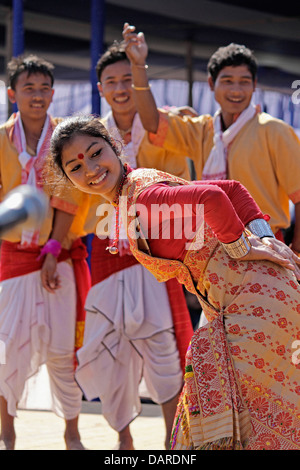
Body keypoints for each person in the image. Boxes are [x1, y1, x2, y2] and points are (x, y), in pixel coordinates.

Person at [49, 114, 300, 450]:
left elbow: (214, 198)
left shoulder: (141, 195)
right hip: (250, 297)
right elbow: (231, 189)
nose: (90, 169)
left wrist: (247, 244)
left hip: (254, 302)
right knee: (246, 413)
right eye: (76, 167)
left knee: (252, 417)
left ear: (114, 147)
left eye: (95, 153)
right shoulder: (133, 189)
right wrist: (263, 237)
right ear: (67, 179)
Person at [75, 38, 194, 450]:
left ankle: (172, 443)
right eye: (113, 80)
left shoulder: (165, 125)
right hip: (106, 247)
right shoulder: (87, 136)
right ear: (100, 87)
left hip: (155, 248)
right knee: (110, 344)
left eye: (129, 78)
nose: (121, 87)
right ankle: (123, 444)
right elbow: (68, 193)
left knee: (165, 346)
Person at [122, 24, 300, 254]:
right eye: (227, 81)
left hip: (265, 244)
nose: (236, 90)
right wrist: (138, 65)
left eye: (244, 82)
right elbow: (151, 123)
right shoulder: (202, 130)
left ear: (254, 85)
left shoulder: (274, 130)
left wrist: (297, 251)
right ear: (210, 84)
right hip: (212, 248)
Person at [0, 55, 91, 450]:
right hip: (11, 258)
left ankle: (72, 432)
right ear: (11, 94)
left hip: (60, 255)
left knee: (61, 349)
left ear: (54, 94)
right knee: (5, 351)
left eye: (43, 89)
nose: (36, 96)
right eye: (28, 88)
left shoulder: (65, 139)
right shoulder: (0, 139)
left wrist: (53, 249)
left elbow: (69, 197)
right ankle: (7, 432)